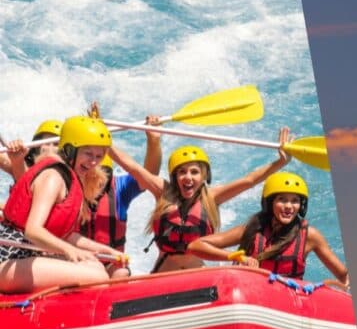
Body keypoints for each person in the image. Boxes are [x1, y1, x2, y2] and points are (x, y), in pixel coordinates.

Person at [110, 128, 292, 273]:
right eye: (182, 172)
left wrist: (280, 162)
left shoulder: (212, 197)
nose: (188, 177)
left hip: (198, 274)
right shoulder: (163, 191)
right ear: (175, 177)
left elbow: (249, 180)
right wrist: (102, 137)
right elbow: (131, 166)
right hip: (163, 273)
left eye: (194, 172)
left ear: (204, 176)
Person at [0, 116, 125, 293]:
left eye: (99, 156)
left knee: (96, 267)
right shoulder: (54, 177)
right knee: (98, 278)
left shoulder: (71, 179)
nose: (93, 162)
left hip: (26, 255)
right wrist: (69, 251)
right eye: (88, 154)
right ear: (69, 150)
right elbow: (33, 230)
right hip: (8, 256)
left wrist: (107, 251)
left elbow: (65, 235)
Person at [186, 171, 350, 288]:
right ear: (270, 203)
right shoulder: (252, 229)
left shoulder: (309, 236)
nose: (288, 207)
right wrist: (235, 257)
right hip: (250, 294)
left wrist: (336, 287)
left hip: (288, 301)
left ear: (301, 206)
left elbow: (344, 275)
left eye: (295, 201)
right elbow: (195, 246)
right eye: (281, 200)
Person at [82, 115, 162, 278]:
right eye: (92, 174)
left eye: (103, 174)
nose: (97, 179)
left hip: (112, 264)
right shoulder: (69, 186)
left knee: (121, 273)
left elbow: (149, 175)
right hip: (79, 261)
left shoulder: (119, 189)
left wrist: (153, 141)